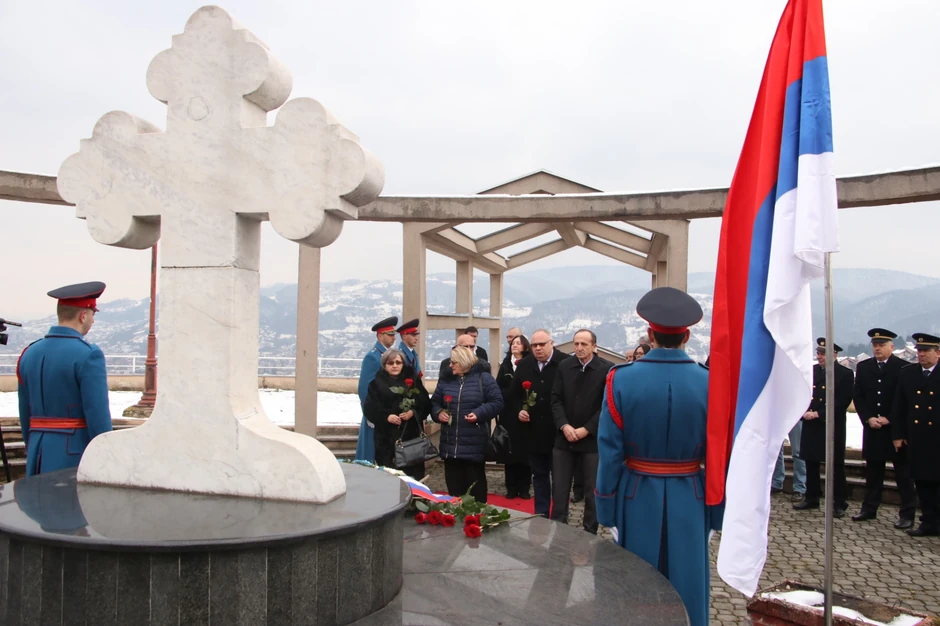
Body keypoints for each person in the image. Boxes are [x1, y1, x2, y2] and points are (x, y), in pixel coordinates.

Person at [596, 287, 722, 626]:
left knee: (635, 585)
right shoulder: (710, 383)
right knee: (689, 583)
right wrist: (717, 514)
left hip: (636, 494)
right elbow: (719, 457)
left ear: (650, 334)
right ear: (688, 335)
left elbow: (609, 452)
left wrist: (606, 510)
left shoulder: (620, 380)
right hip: (691, 495)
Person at [17, 281, 113, 477]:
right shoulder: (89, 355)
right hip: (74, 454)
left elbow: (25, 411)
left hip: (38, 451)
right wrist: (107, 457)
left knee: (39, 506)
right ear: (83, 315)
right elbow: (98, 416)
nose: (93, 321)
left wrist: (34, 445)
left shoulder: (29, 353)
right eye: (93, 315)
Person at [852, 328, 916, 528]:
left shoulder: (904, 368)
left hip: (894, 429)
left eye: (881, 345)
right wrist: (868, 417)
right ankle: (869, 508)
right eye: (875, 345)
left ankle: (907, 514)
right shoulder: (864, 367)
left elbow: (905, 399)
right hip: (873, 428)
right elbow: (859, 396)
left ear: (892, 347)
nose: (877, 348)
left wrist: (890, 418)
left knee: (903, 475)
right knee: (873, 472)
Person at [550, 329, 612, 534]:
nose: (579, 348)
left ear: (594, 346)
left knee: (591, 490)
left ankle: (589, 531)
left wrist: (587, 429)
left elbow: (607, 406)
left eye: (584, 344)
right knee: (559, 489)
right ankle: (559, 528)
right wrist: (564, 425)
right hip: (564, 438)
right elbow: (555, 399)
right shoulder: (565, 366)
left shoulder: (606, 369)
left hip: (591, 440)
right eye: (576, 344)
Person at [431, 345, 503, 502]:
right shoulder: (447, 380)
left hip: (474, 446)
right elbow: (434, 403)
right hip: (450, 447)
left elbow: (497, 402)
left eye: (453, 362)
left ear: (463, 362)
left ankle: (476, 522)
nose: (450, 365)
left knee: (476, 493)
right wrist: (438, 413)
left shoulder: (484, 379)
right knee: (454, 493)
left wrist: (479, 413)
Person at [793, 338, 854, 517]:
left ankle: (839, 501)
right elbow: (803, 393)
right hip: (811, 423)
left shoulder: (844, 374)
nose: (819, 356)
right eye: (818, 353)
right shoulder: (812, 372)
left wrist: (819, 413)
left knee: (835, 465)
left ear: (834, 354)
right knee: (811, 461)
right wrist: (804, 411)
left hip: (831, 424)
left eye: (822, 353)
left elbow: (842, 401)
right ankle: (812, 497)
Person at [510, 329, 567, 517]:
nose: (538, 348)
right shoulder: (525, 365)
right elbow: (514, 395)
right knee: (540, 476)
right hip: (533, 432)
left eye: (542, 344)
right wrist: (520, 409)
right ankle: (541, 514)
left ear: (552, 344)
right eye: (535, 345)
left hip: (558, 432)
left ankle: (560, 516)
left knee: (560, 479)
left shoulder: (565, 363)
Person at [892, 332, 940, 537]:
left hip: (937, 438)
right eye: (919, 351)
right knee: (922, 481)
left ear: (938, 352)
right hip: (918, 438)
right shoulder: (908, 373)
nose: (921, 355)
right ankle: (928, 522)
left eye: (926, 351)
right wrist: (898, 434)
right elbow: (899, 407)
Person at [364, 348, 431, 481]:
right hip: (386, 439)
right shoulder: (375, 384)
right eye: (390, 363)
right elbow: (370, 408)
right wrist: (386, 417)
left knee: (413, 477)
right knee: (389, 477)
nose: (395, 366)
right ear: (384, 365)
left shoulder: (413, 381)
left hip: (410, 438)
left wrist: (413, 412)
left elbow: (425, 403)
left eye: (398, 362)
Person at [354, 316, 398, 462]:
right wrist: (369, 413)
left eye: (394, 334)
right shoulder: (373, 357)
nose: (393, 337)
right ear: (380, 336)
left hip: (388, 412)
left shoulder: (388, 355)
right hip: (376, 412)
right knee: (371, 452)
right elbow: (364, 388)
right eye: (389, 334)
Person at [497, 334, 531, 499]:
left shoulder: (529, 365)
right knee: (509, 452)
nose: (514, 345)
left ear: (525, 346)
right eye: (513, 343)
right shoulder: (505, 366)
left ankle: (524, 488)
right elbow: (498, 388)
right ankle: (511, 487)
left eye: (518, 343)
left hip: (525, 414)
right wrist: (510, 394)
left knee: (525, 453)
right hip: (508, 414)